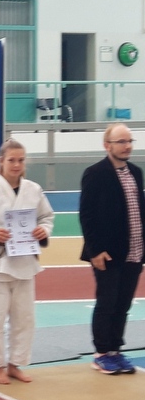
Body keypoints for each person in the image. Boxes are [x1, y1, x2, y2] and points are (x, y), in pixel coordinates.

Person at [0, 139, 54, 384]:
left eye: (21, 160)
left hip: (25, 260)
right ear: (1, 162)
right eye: (11, 160)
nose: (16, 165)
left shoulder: (34, 190)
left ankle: (15, 363)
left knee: (24, 317)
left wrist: (43, 231)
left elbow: (46, 217)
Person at [79, 123, 145, 375]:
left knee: (123, 304)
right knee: (107, 303)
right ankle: (101, 353)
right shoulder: (95, 174)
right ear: (107, 145)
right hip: (107, 253)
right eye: (121, 142)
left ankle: (115, 350)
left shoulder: (136, 173)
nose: (127, 146)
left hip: (135, 251)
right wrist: (95, 250)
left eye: (129, 141)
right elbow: (87, 215)